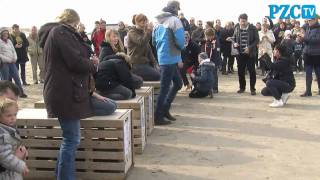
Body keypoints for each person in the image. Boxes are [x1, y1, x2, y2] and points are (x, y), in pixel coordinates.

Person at [39, 9, 99, 180]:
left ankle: (60, 174)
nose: (77, 27)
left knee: (70, 139)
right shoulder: (60, 32)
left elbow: (75, 57)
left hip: (64, 91)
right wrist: (93, 64)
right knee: (71, 139)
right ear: (71, 21)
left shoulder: (59, 32)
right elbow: (75, 61)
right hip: (64, 93)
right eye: (76, 23)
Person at [153, 0, 184, 125]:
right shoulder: (175, 21)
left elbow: (154, 42)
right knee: (165, 88)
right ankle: (158, 116)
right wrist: (180, 48)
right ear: (175, 9)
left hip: (163, 57)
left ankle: (165, 109)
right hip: (171, 58)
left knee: (178, 83)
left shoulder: (157, 22)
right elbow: (181, 42)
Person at [0, 98, 29, 180]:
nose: (13, 118)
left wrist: (23, 151)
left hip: (12, 171)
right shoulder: (2, 134)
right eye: (9, 115)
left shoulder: (9, 129)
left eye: (15, 115)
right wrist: (21, 166)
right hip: (6, 175)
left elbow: (15, 145)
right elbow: (4, 156)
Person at [127, 14, 160, 81]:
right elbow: (141, 42)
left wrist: (155, 63)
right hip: (136, 65)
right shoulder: (131, 32)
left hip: (145, 63)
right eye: (142, 22)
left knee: (164, 74)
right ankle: (157, 91)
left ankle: (158, 91)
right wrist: (149, 31)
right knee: (158, 76)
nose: (144, 23)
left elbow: (149, 51)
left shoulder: (143, 33)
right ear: (137, 22)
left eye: (145, 21)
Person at [233, 13, 259, 95]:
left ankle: (252, 89)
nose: (243, 23)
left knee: (252, 71)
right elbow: (234, 38)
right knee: (240, 71)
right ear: (239, 21)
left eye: (244, 21)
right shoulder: (236, 28)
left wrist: (250, 48)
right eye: (241, 21)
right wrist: (234, 43)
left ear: (247, 20)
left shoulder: (253, 28)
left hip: (250, 54)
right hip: (240, 54)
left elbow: (257, 40)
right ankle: (242, 88)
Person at [0, 28, 27, 98]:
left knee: (17, 77)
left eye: (7, 33)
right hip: (4, 63)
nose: (6, 35)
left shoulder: (9, 41)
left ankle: (21, 93)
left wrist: (15, 58)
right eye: (4, 33)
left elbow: (13, 50)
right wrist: (7, 59)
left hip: (12, 62)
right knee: (5, 80)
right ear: (1, 34)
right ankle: (4, 95)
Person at [300, 17, 320, 97]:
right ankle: (308, 91)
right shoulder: (308, 28)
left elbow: (316, 40)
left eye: (310, 20)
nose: (308, 22)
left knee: (318, 73)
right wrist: (301, 38)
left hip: (317, 54)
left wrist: (304, 37)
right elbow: (307, 40)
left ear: (315, 20)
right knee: (308, 73)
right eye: (308, 20)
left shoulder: (319, 28)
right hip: (307, 54)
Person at [201, 28, 219, 93]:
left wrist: (217, 62)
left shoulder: (215, 41)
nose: (206, 37)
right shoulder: (204, 41)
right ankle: (207, 88)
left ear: (212, 35)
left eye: (208, 36)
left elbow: (217, 52)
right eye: (206, 36)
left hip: (213, 61)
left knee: (214, 75)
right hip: (205, 61)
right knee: (206, 74)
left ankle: (215, 88)